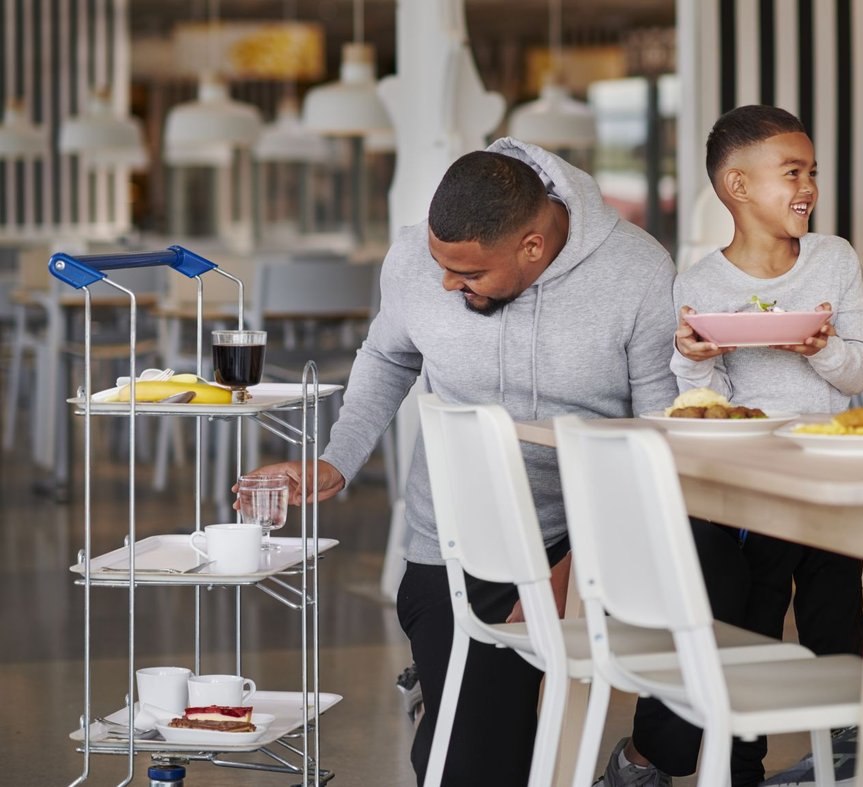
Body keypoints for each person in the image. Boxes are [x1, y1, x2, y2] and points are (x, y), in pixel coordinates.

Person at [238, 139, 679, 785]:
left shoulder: (637, 271)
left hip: (588, 535)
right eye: (443, 267)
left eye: (469, 275)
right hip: (457, 542)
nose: (447, 283)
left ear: (532, 246)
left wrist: (576, 567)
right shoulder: (419, 257)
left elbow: (659, 434)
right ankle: (449, 690)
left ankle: (638, 756)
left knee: (705, 634)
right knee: (477, 767)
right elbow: (389, 355)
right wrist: (336, 460)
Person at [595, 105, 863, 787]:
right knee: (749, 620)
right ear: (737, 187)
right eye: (791, 173)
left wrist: (823, 346)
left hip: (830, 468)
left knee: (836, 613)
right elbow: (705, 402)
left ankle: (855, 748)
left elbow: (860, 370)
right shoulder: (698, 285)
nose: (807, 186)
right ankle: (737, 764)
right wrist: (692, 355)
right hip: (752, 484)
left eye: (810, 171)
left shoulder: (833, 259)